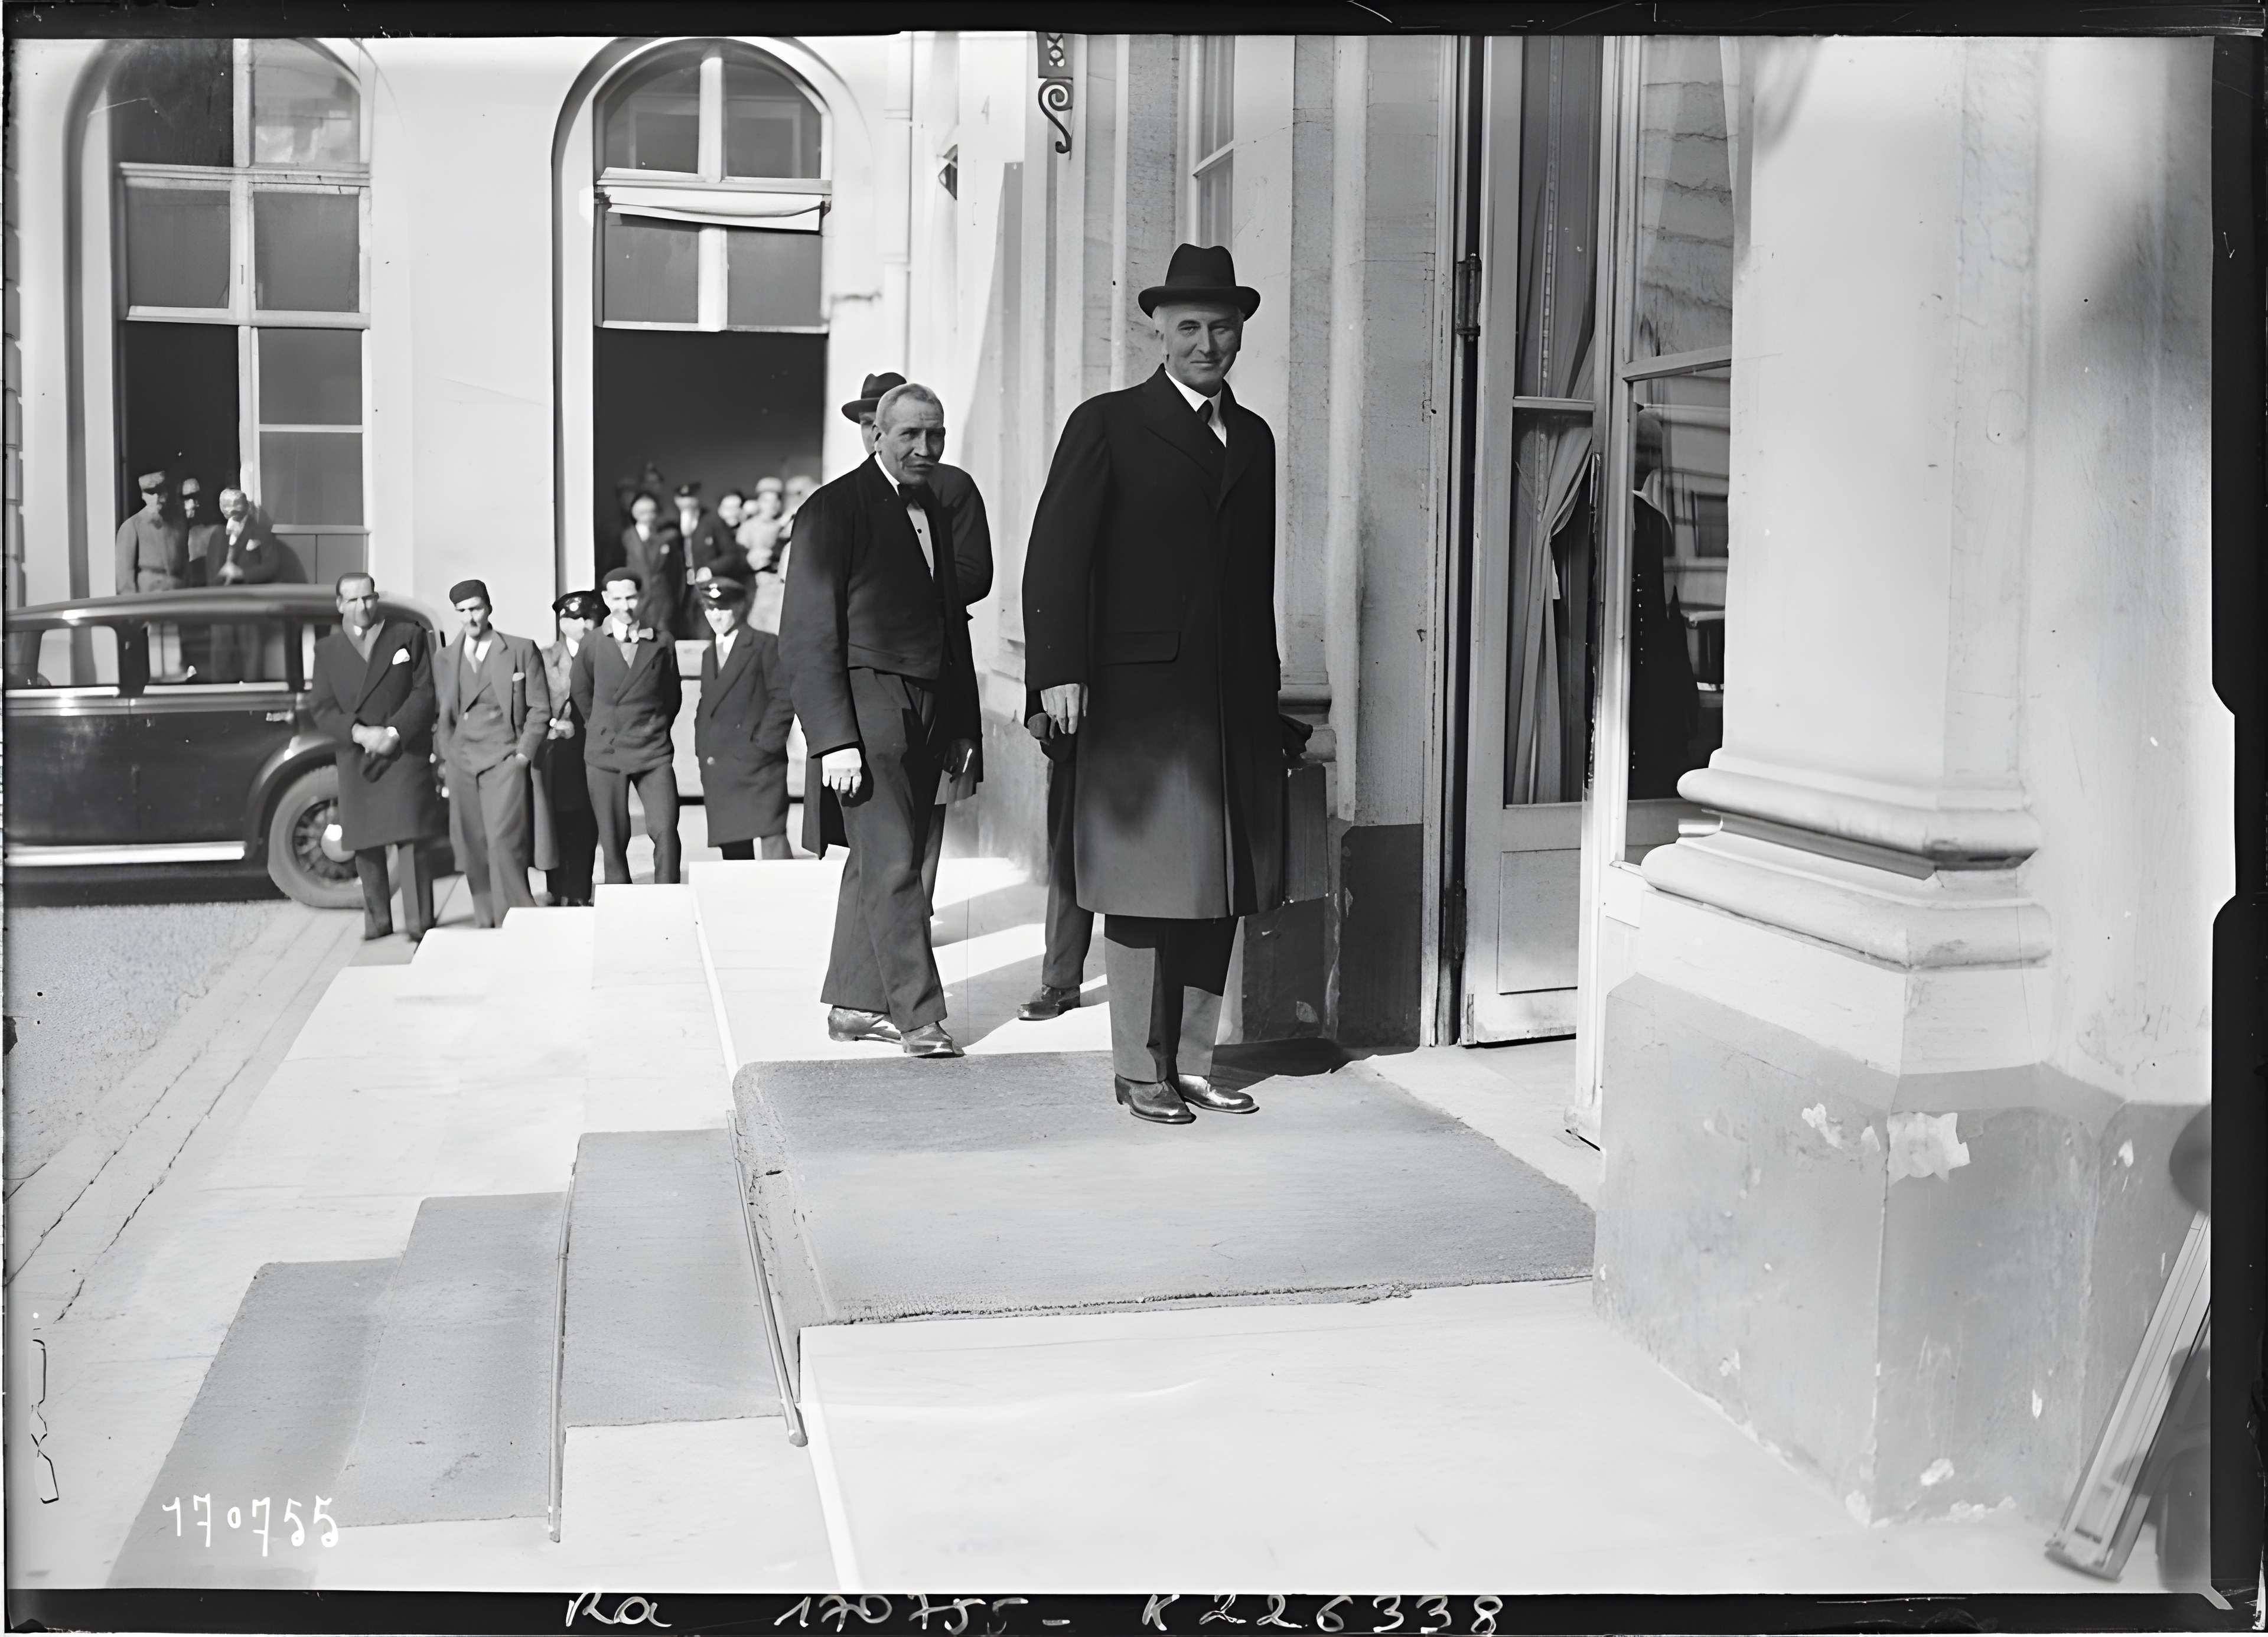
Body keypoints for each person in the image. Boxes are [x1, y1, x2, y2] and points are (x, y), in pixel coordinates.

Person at [1022, 243, 1303, 1126]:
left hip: (1231, 703)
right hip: (1136, 703)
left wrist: (1267, 695)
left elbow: (1252, 582)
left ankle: (1192, 1062)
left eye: (1222, 328)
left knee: (1219, 884)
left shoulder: (1253, 438)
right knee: (1144, 885)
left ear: (1241, 332)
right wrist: (1057, 672)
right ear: (1159, 331)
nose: (1206, 345)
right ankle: (1139, 1070)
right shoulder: (1106, 423)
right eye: (1189, 329)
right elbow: (1056, 556)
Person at [780, 383, 980, 1059]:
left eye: (935, 434)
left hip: (927, 709)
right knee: (896, 863)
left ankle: (854, 1007)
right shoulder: (832, 510)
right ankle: (918, 1018)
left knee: (881, 861)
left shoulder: (935, 508)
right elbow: (806, 636)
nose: (925, 447)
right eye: (909, 435)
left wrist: (962, 725)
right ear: (877, 436)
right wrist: (834, 740)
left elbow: (951, 626)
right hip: (867, 709)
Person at [842, 369, 997, 905]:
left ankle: (917, 914)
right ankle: (890, 920)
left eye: (923, 433)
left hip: (934, 661)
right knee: (876, 812)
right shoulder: (852, 497)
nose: (873, 433)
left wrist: (904, 600)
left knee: (927, 803)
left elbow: (974, 573)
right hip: (872, 675)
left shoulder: (949, 488)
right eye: (867, 423)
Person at [307, 572, 445, 944]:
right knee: (366, 843)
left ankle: (419, 923)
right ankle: (378, 922)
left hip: (404, 751)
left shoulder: (407, 635)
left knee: (412, 839)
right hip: (359, 757)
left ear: (377, 598)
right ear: (340, 605)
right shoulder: (328, 650)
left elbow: (424, 693)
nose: (362, 607)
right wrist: (359, 733)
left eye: (367, 598)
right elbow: (322, 708)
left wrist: (394, 733)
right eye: (352, 600)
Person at [433, 579, 550, 930]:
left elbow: (540, 709)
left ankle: (517, 920)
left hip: (504, 759)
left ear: (489, 608)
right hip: (462, 761)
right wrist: (446, 757)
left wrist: (522, 756)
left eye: (476, 608)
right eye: (463, 611)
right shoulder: (445, 658)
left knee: (503, 841)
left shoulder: (519, 649)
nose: (470, 617)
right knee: (471, 843)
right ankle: (486, 921)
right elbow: (442, 713)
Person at [573, 565, 685, 885]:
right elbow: (581, 691)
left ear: (642, 597)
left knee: (665, 828)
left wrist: (654, 726)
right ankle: (621, 900)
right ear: (607, 599)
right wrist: (603, 726)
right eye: (618, 599)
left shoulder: (662, 642)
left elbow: (672, 695)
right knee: (613, 838)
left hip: (652, 751)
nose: (625, 606)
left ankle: (668, 896)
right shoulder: (592, 643)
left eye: (632, 598)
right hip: (606, 753)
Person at [694, 577, 796, 862]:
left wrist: (763, 745)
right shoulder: (709, 653)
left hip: (759, 765)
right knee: (734, 851)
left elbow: (784, 698)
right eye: (710, 609)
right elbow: (708, 704)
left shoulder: (764, 644)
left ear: (740, 607)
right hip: (720, 762)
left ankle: (782, 892)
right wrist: (703, 747)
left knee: (773, 841)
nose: (715, 616)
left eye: (723, 609)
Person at [1016, 685, 1092, 1020]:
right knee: (1069, 853)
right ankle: (1061, 981)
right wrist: (1037, 702)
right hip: (1084, 709)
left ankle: (1146, 980)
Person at [535, 590, 602, 906]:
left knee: (588, 822)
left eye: (591, 617)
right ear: (563, 622)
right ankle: (556, 885)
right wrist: (552, 726)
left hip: (595, 749)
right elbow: (534, 702)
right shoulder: (546, 658)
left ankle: (579, 891)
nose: (586, 624)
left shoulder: (606, 653)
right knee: (558, 819)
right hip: (560, 751)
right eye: (578, 618)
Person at [676, 481, 745, 633]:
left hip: (708, 589)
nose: (687, 502)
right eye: (683, 498)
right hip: (682, 591)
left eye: (691, 497)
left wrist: (710, 569)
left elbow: (732, 555)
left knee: (706, 632)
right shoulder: (673, 525)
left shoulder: (712, 521)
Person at [620, 491, 685, 641]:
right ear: (634, 513)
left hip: (661, 598)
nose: (648, 516)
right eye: (642, 512)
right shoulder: (626, 537)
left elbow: (676, 571)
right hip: (637, 597)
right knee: (637, 638)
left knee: (663, 638)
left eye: (651, 512)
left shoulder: (664, 538)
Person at [116, 471, 190, 594]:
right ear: (143, 496)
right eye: (150, 493)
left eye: (160, 491)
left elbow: (186, 568)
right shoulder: (132, 526)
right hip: (150, 598)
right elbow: (125, 580)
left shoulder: (178, 526)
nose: (156, 498)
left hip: (178, 597)